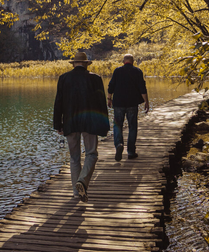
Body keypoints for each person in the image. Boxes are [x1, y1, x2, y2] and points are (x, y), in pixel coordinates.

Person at [53, 51, 109, 202]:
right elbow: (101, 103)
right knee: (91, 154)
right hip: (90, 122)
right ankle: (82, 181)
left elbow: (58, 103)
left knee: (74, 158)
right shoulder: (95, 79)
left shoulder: (64, 78)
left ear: (74, 64)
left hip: (70, 123)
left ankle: (76, 193)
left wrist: (58, 124)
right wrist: (104, 124)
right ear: (85, 64)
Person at [107, 53, 149, 161]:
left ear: (123, 61)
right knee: (132, 127)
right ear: (133, 61)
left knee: (117, 125)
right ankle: (131, 152)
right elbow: (142, 88)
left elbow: (111, 85)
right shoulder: (137, 71)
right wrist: (146, 102)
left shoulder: (117, 71)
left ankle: (118, 145)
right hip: (132, 103)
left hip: (118, 103)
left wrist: (109, 98)